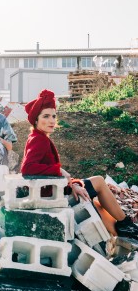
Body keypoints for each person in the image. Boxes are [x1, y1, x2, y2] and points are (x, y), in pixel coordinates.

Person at [20, 88, 138, 239]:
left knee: (92, 202)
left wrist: (71, 183)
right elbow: (28, 168)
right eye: (46, 116)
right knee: (99, 182)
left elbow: (41, 168)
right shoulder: (39, 139)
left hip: (52, 189)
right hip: (50, 193)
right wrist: (60, 171)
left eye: (54, 116)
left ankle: (122, 234)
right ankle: (125, 223)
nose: (51, 120)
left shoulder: (38, 137)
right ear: (36, 119)